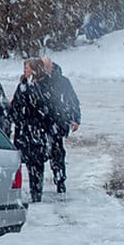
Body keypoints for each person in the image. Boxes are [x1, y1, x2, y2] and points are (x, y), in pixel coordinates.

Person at [9, 58, 50, 203]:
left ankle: (36, 192)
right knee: (22, 162)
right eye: (24, 68)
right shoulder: (22, 85)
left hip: (35, 131)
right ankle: (21, 191)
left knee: (36, 164)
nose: (25, 71)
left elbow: (44, 108)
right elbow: (15, 105)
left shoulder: (40, 85)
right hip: (23, 130)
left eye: (27, 68)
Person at [40, 57, 81, 193]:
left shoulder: (62, 82)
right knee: (39, 155)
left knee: (57, 153)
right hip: (40, 124)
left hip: (57, 123)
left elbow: (72, 100)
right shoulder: (37, 81)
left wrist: (75, 118)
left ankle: (60, 180)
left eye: (45, 67)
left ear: (51, 67)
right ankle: (37, 185)